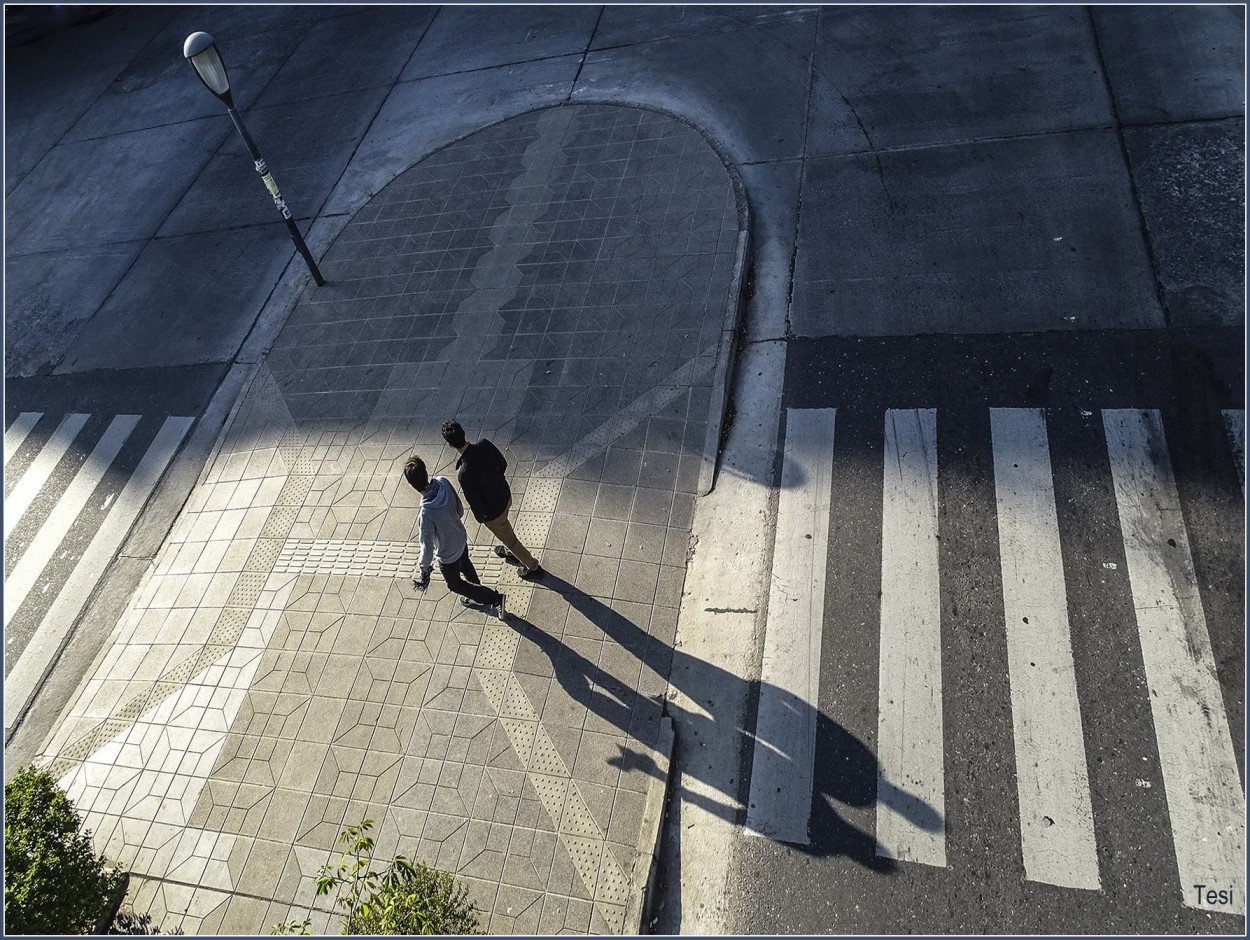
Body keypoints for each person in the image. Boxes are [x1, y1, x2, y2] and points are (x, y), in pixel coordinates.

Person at [404, 455, 507, 619]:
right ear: (426, 471)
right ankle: (477, 593)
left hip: (448, 555)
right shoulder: (443, 481)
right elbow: (459, 508)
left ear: (412, 485)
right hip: (460, 537)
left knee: (454, 584)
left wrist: (423, 569)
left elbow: (427, 547)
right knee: (466, 564)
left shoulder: (426, 514)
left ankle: (494, 599)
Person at [441, 419, 545, 581]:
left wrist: (482, 518)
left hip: (494, 514)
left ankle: (532, 566)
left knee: (510, 540)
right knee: (506, 530)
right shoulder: (484, 444)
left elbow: (475, 503)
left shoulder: (464, 474)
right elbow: (502, 464)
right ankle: (510, 548)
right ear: (463, 431)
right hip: (506, 496)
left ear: (450, 445)